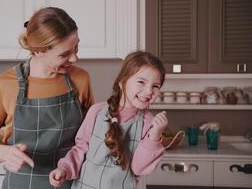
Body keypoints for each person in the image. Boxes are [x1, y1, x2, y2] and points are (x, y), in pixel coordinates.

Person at [0, 7, 94, 189]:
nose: (75, 58)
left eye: (76, 47)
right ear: (38, 51)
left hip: (72, 183)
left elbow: (90, 136)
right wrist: (3, 152)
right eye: (64, 54)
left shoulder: (81, 79)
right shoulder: (4, 85)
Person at [49, 51, 168, 189]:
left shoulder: (148, 122)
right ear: (122, 82)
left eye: (155, 86)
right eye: (141, 82)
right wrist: (64, 169)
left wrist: (155, 136)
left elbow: (138, 168)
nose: (149, 91)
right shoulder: (97, 112)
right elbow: (81, 148)